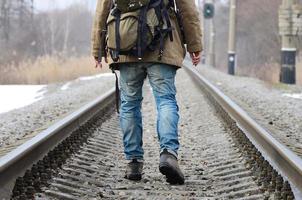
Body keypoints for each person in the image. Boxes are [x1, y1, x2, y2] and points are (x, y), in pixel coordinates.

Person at [91, 0, 202, 185]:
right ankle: (168, 155)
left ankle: (133, 163)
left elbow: (102, 8)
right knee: (165, 100)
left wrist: (98, 48)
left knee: (129, 103)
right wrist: (194, 44)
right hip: (162, 43)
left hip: (126, 44)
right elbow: (187, 9)